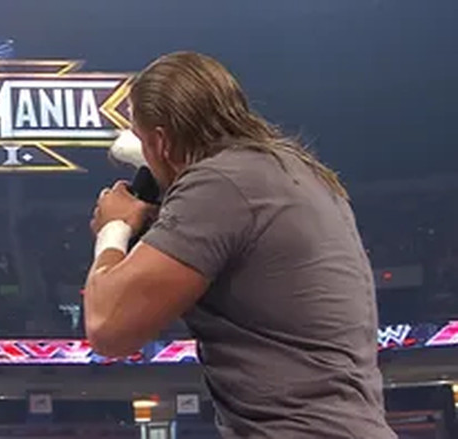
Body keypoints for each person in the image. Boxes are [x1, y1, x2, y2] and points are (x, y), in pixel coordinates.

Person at [84, 52, 396, 438]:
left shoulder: (219, 185)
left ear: (162, 142)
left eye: (145, 140)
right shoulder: (287, 171)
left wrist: (113, 228)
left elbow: (108, 328)